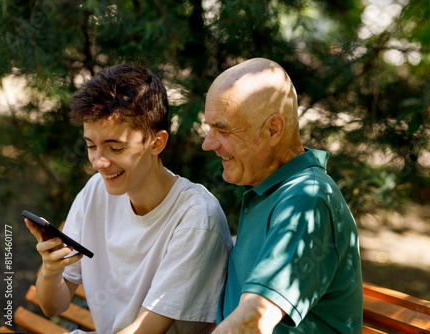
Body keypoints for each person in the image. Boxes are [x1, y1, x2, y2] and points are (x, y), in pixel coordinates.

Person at [25, 64, 232, 334]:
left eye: (115, 148)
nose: (99, 162)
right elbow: (53, 306)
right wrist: (51, 270)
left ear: (156, 142)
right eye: (90, 146)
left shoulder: (196, 218)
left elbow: (144, 331)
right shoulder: (95, 192)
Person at [202, 58, 363, 333]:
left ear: (273, 129)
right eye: (209, 128)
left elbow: (253, 321)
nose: (208, 144)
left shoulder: (307, 201)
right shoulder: (272, 189)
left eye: (223, 129)